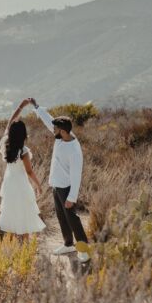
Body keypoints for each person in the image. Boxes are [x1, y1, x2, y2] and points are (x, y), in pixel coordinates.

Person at [29, 98, 89, 263]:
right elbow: (50, 121)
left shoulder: (74, 150)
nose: (52, 129)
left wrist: (72, 197)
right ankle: (68, 244)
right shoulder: (62, 136)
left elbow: (77, 175)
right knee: (62, 217)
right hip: (56, 185)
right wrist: (37, 107)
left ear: (62, 130)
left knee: (72, 218)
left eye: (55, 128)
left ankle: (83, 250)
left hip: (67, 188)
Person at [0, 98, 46, 237]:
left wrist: (21, 107)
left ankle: (12, 248)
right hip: (21, 184)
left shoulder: (6, 145)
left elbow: (9, 123)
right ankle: (24, 246)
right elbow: (29, 171)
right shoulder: (23, 151)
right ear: (24, 134)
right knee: (24, 213)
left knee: (11, 212)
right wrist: (38, 186)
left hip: (9, 183)